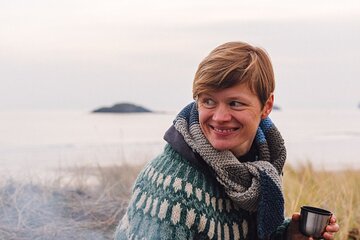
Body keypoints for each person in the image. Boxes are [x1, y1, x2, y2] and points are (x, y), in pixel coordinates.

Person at [114, 41, 339, 239]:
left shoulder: (262, 167)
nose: (220, 117)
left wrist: (288, 235)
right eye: (208, 101)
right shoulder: (174, 186)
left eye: (235, 103)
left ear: (266, 106)